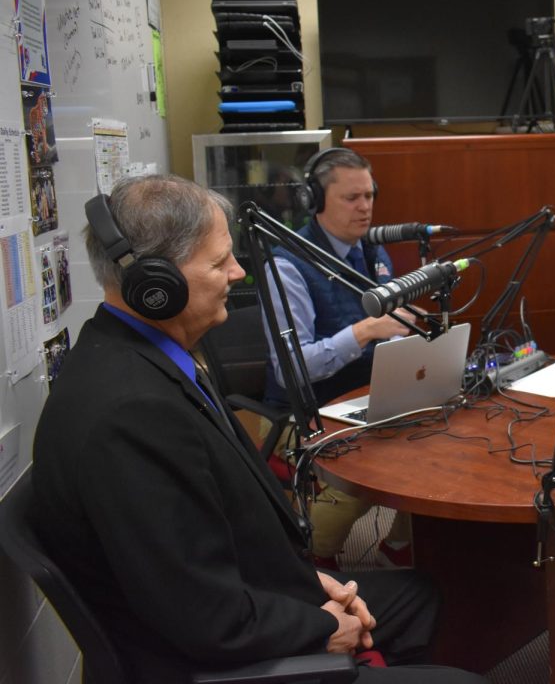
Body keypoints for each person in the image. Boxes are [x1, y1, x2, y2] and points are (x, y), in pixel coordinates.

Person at [31, 174, 484, 683]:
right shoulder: (131, 415)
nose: (239, 272)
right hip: (211, 661)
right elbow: (205, 617)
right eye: (221, 260)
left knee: (419, 596)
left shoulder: (134, 356)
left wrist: (308, 581)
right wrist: (319, 625)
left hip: (244, 599)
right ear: (157, 284)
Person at [262, 147, 417, 569]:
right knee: (361, 474)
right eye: (352, 198)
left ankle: (401, 547)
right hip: (302, 412)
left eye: (369, 196)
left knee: (433, 440)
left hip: (360, 401)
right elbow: (292, 368)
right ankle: (313, 563)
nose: (365, 207)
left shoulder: (373, 254)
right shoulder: (287, 264)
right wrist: (365, 331)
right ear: (315, 200)